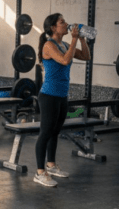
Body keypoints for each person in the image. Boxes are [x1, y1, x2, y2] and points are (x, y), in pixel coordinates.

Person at [34, 14, 91, 187]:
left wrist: (82, 39)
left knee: (55, 131)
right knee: (45, 132)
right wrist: (74, 39)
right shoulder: (49, 45)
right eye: (62, 22)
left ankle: (51, 165)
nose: (66, 24)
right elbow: (65, 60)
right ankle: (39, 172)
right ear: (53, 28)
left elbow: (86, 56)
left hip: (61, 95)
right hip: (49, 96)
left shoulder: (65, 44)